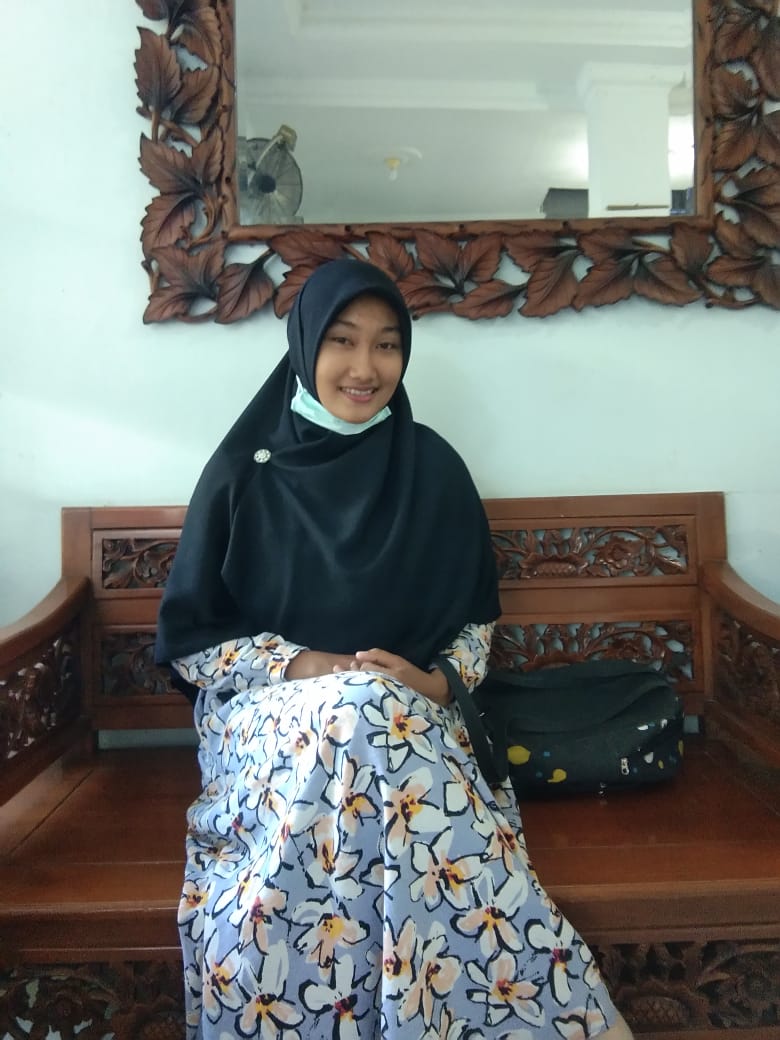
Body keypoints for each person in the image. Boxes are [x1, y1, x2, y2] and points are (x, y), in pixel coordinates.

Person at [155, 258, 634, 1040]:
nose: (365, 367)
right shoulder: (245, 473)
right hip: (270, 733)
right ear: (306, 345)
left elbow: (474, 625)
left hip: (410, 721)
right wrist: (302, 666)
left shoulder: (431, 468)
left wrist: (434, 682)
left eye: (387, 345)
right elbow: (193, 645)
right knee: (360, 707)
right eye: (343, 341)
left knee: (372, 709)